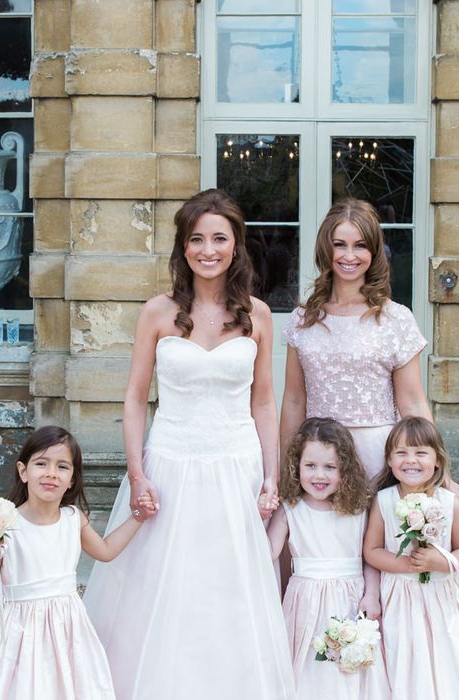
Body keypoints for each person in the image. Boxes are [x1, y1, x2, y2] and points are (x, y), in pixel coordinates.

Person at [83, 189, 296, 700]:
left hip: (236, 464)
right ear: (182, 247)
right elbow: (135, 399)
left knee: (229, 589)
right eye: (196, 238)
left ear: (236, 245)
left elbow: (263, 402)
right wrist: (137, 472)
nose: (208, 249)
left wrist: (272, 476)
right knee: (161, 588)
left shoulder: (259, 315)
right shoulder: (157, 313)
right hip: (171, 463)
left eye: (219, 238)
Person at [0, 425, 156, 700]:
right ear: (23, 471)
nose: (51, 473)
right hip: (14, 630)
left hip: (65, 628)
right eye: (41, 464)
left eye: (62, 467)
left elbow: (106, 551)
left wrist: (138, 517)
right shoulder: (4, 524)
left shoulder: (74, 519)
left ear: (72, 479)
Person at [363, 417, 459, 700]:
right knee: (407, 653)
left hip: (444, 594)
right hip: (401, 596)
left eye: (421, 453)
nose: (411, 460)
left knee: (450, 652)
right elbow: (371, 550)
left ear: (437, 460)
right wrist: (404, 564)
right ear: (389, 460)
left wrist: (439, 562)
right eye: (401, 453)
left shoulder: (449, 501)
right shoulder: (384, 500)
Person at [280, 198, 433, 481]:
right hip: (320, 459)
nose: (349, 255)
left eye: (360, 245)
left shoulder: (395, 318)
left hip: (376, 455)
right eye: (340, 244)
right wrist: (285, 470)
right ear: (326, 249)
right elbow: (293, 400)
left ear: (374, 251)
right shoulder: (303, 319)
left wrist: (436, 472)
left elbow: (412, 403)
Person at [264, 417, 390, 699]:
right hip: (304, 602)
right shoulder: (290, 509)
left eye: (330, 467)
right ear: (297, 467)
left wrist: (372, 595)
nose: (319, 475)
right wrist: (260, 515)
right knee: (309, 669)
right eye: (310, 466)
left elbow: (368, 557)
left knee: (348, 667)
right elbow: (268, 552)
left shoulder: (358, 509)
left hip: (350, 597)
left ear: (344, 469)